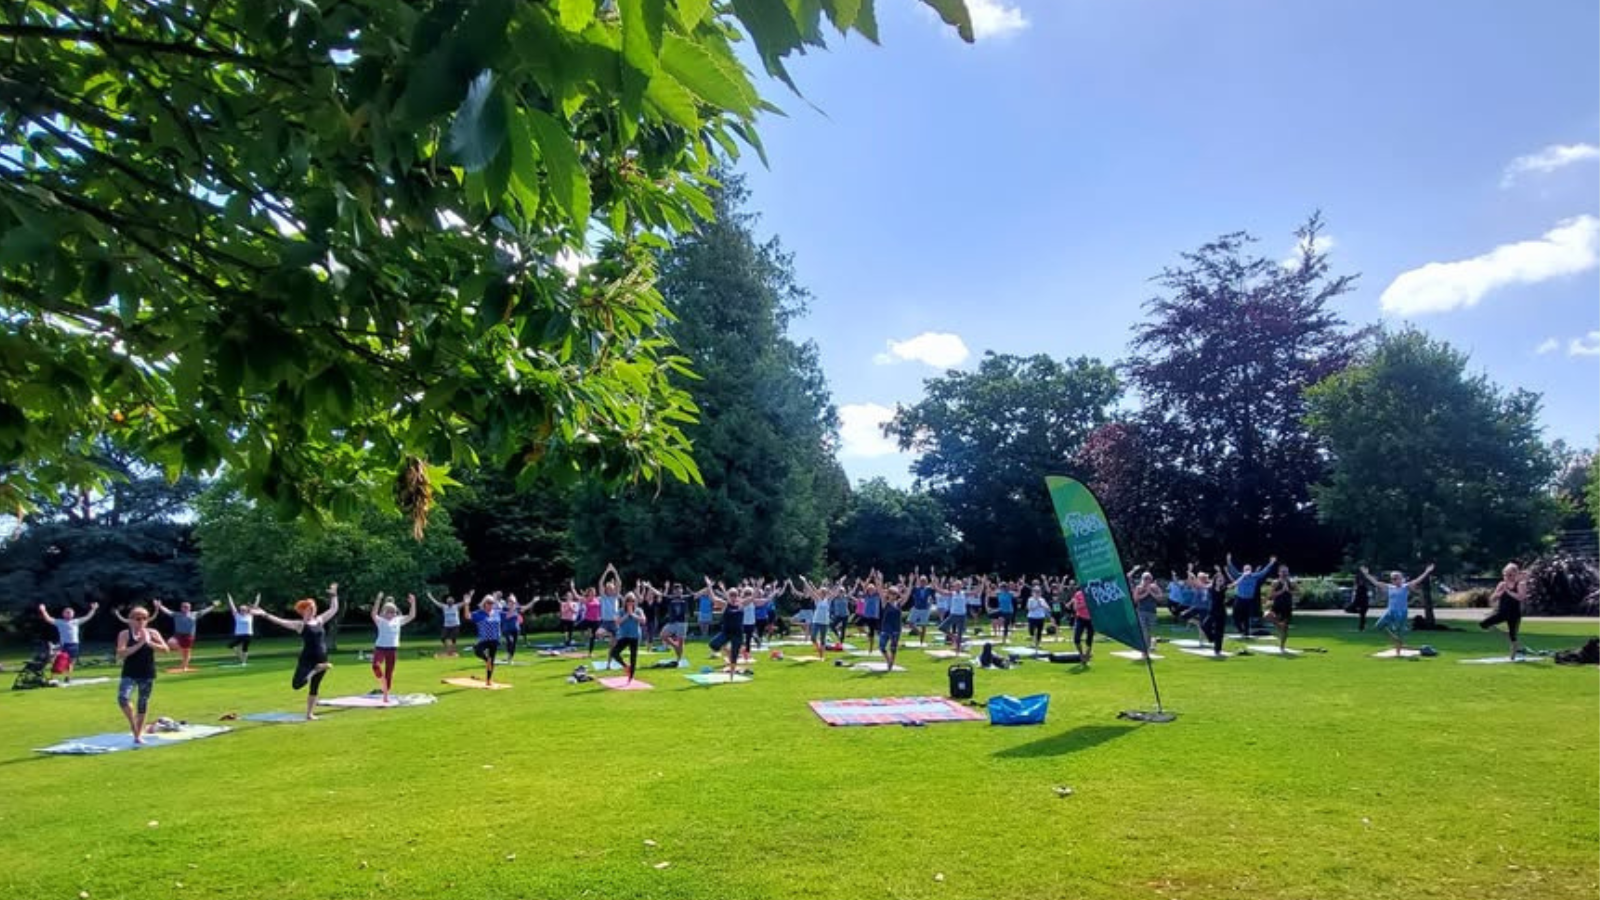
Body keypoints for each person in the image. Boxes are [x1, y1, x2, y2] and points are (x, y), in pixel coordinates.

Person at [253, 584, 341, 720]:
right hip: (307, 659)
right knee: (297, 685)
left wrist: (334, 595)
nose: (311, 611)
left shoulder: (319, 620)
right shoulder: (299, 625)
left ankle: (309, 714)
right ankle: (315, 670)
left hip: (322, 657)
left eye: (313, 609)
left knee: (314, 687)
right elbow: (280, 621)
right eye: (308, 609)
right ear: (303, 611)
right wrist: (264, 614)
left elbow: (334, 609)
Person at [114, 605, 169, 744]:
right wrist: (140, 644)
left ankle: (138, 735)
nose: (141, 621)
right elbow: (121, 653)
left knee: (142, 703)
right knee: (123, 698)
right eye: (138, 618)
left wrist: (149, 642)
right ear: (130, 620)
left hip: (147, 673)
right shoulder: (125, 634)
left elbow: (165, 649)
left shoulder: (153, 632)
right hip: (129, 673)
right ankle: (133, 725)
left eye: (145, 618)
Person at [1361, 564, 1435, 654]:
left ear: (1401, 578)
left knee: (1399, 632)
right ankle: (1394, 638)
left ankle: (1398, 653)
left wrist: (1427, 571)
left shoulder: (1405, 587)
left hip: (1401, 613)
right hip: (1390, 611)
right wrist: (1366, 574)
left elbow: (1417, 580)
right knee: (1379, 626)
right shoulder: (1389, 587)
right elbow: (1375, 583)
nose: (1395, 580)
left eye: (1397, 578)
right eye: (1393, 578)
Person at [370, 593, 418, 703]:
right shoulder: (380, 620)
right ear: (384, 612)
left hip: (392, 649)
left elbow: (412, 616)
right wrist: (378, 599)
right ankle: (382, 682)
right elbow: (373, 613)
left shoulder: (398, 620)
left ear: (395, 613)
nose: (391, 614)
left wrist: (413, 603)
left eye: (393, 612)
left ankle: (386, 694)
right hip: (380, 648)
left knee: (389, 672)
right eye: (388, 612)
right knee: (375, 665)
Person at [37, 601, 100, 682]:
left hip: (74, 645)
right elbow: (48, 619)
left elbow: (88, 617)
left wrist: (93, 609)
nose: (69, 613)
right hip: (64, 645)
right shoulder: (60, 622)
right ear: (63, 614)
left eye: (71, 612)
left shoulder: (76, 621)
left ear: (73, 614)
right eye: (67, 612)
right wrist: (43, 610)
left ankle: (68, 677)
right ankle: (52, 678)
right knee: (58, 660)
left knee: (70, 663)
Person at [1480, 563, 1529, 659]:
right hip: (1502, 613)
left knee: (1513, 637)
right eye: (1505, 575)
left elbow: (1521, 597)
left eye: (1510, 575)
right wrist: (1498, 594)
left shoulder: (1520, 584)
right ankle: (1504, 633)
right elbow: (1492, 599)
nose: (1507, 577)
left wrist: (1509, 592)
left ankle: (1513, 657)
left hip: (1514, 614)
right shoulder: (1502, 584)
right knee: (1483, 624)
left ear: (1516, 574)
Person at [152, 599, 217, 672]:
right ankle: (182, 652)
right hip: (178, 635)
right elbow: (167, 611)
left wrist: (213, 606)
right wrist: (160, 606)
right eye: (184, 607)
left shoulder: (194, 614)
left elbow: (205, 611)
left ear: (190, 608)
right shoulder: (177, 614)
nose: (186, 608)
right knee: (170, 642)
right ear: (181, 608)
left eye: (187, 607)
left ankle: (184, 667)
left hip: (189, 636)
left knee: (186, 652)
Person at [1226, 554, 1279, 637]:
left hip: (1248, 600)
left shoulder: (1255, 576)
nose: (1247, 571)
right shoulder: (1239, 575)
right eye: (1246, 569)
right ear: (1243, 570)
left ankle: (1246, 633)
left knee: (1246, 617)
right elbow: (1232, 570)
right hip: (1239, 599)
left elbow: (1265, 571)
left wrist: (1271, 563)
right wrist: (1229, 561)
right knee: (1236, 617)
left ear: (1251, 570)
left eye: (1249, 569)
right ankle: (1241, 630)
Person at [610, 593, 646, 682]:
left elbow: (643, 620)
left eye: (632, 601)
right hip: (624, 636)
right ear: (625, 602)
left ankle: (631, 676)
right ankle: (626, 666)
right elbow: (617, 622)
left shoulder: (638, 610)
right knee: (614, 653)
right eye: (628, 601)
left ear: (635, 602)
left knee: (633, 657)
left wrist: (632, 614)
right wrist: (627, 615)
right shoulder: (621, 611)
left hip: (635, 636)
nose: (630, 603)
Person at [468, 596, 503, 685]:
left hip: (494, 640)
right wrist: (466, 604)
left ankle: (488, 680)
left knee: (492, 660)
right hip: (484, 639)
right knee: (477, 651)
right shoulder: (479, 613)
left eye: (492, 603)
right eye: (488, 603)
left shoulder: (497, 613)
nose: (490, 604)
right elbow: (467, 616)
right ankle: (486, 659)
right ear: (484, 604)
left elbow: (508, 615)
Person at [1131, 571, 1162, 658]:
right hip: (1142, 611)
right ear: (1143, 579)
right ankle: (1143, 651)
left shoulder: (1155, 587)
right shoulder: (1139, 587)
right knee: (1144, 631)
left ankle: (1146, 650)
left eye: (1149, 579)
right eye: (1145, 579)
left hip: (1152, 612)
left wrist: (1151, 592)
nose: (1147, 581)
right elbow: (1135, 599)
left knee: (1149, 633)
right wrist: (1146, 593)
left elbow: (1160, 597)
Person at [427, 591, 468, 657]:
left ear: (453, 601)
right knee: (443, 638)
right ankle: (449, 651)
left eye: (451, 601)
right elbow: (436, 603)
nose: (449, 602)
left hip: (455, 625)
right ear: (446, 602)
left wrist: (470, 596)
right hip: (446, 626)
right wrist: (430, 597)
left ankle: (452, 652)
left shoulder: (456, 606)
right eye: (448, 600)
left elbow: (465, 602)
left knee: (452, 639)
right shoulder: (444, 607)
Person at [660, 583, 691, 665]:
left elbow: (698, 594)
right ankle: (675, 646)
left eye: (679, 590)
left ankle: (679, 659)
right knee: (663, 635)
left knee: (681, 642)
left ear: (682, 590)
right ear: (673, 591)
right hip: (672, 622)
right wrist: (649, 587)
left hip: (682, 623)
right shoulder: (670, 599)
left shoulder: (686, 598)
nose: (678, 591)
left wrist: (708, 586)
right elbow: (660, 594)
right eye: (676, 590)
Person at [499, 593, 534, 662]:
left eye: (513, 602)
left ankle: (510, 657)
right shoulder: (504, 609)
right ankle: (508, 655)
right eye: (511, 601)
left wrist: (533, 601)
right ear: (508, 602)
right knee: (510, 641)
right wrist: (513, 608)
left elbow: (526, 607)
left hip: (516, 629)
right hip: (507, 629)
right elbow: (507, 616)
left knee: (514, 644)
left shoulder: (516, 608)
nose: (512, 603)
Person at [1266, 570, 1295, 651]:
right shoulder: (1275, 582)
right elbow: (1271, 594)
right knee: (1267, 615)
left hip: (1287, 607)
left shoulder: (1291, 582)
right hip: (1277, 606)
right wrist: (1281, 591)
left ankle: (1282, 646)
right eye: (1282, 572)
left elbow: (1298, 592)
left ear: (1288, 573)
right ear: (1279, 573)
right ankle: (1279, 625)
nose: (1284, 574)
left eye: (1285, 572)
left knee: (1285, 628)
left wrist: (1288, 591)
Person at [225, 594, 256, 665]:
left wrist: (257, 598)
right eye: (241, 609)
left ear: (246, 610)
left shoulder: (250, 615)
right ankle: (241, 659)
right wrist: (230, 598)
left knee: (245, 649)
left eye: (244, 609)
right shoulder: (237, 615)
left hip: (248, 634)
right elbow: (232, 606)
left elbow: (255, 607)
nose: (242, 610)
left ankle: (244, 662)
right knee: (231, 646)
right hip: (239, 635)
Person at [878, 588, 904, 671]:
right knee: (882, 647)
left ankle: (890, 665)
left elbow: (907, 595)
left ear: (896, 595)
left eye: (894, 594)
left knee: (893, 648)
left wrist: (910, 582)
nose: (892, 596)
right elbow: (880, 591)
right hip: (885, 629)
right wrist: (879, 580)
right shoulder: (885, 603)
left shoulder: (899, 603)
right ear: (888, 595)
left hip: (896, 629)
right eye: (891, 594)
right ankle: (889, 660)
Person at [1070, 584, 1095, 663]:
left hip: (1091, 619)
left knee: (1089, 638)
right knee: (1076, 638)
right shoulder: (1078, 594)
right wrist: (1084, 604)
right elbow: (1075, 608)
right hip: (1080, 618)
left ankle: (1087, 655)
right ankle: (1081, 654)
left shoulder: (1092, 593)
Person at [909, 574, 935, 644]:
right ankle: (919, 633)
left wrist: (932, 577)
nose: (922, 582)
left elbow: (933, 585)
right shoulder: (916, 589)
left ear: (926, 582)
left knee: (923, 625)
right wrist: (915, 576)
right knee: (910, 623)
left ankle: (921, 642)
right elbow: (909, 588)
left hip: (925, 609)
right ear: (919, 582)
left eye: (924, 581)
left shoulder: (928, 589)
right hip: (916, 608)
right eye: (921, 581)